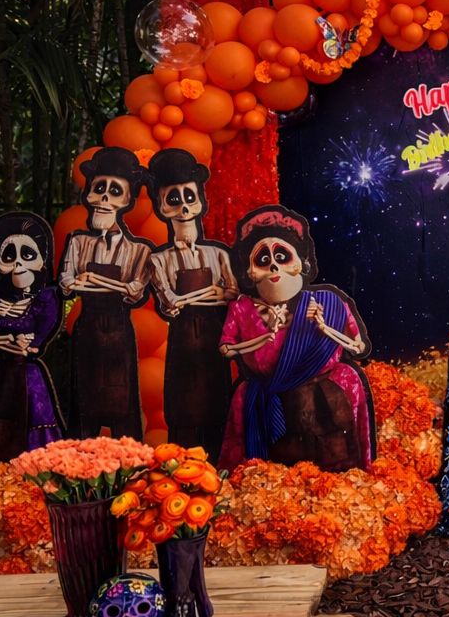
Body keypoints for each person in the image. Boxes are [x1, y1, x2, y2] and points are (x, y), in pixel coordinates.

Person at [219, 205, 376, 472]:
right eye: (263, 259)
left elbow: (358, 347)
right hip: (268, 401)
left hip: (328, 398)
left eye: (282, 256)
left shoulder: (329, 302)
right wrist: (266, 336)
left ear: (300, 264)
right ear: (250, 271)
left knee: (337, 474)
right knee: (273, 480)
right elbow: (228, 348)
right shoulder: (241, 310)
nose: (273, 266)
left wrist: (325, 327)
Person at [146, 149, 239, 461]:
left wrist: (190, 299)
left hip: (215, 344)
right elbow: (168, 303)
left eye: (190, 196)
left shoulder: (219, 254)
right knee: (183, 411)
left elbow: (232, 294)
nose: (184, 205)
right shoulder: (158, 259)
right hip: (183, 345)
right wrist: (211, 292)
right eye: (174, 198)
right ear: (161, 205)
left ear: (200, 200)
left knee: (217, 406)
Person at [59, 146, 154, 440]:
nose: (103, 198)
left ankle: (129, 465)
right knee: (83, 403)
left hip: (118, 333)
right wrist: (110, 285)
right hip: (86, 330)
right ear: (88, 194)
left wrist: (89, 279)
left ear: (126, 200)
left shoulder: (139, 250)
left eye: (114, 191)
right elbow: (65, 282)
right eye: (99, 189)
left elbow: (136, 291)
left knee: (122, 403)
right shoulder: (77, 242)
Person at [0, 212, 65, 461]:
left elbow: (33, 344)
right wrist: (3, 340)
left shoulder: (46, 298)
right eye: (9, 256)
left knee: (34, 428)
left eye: (27, 255)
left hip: (28, 379)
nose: (17, 264)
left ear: (42, 261)